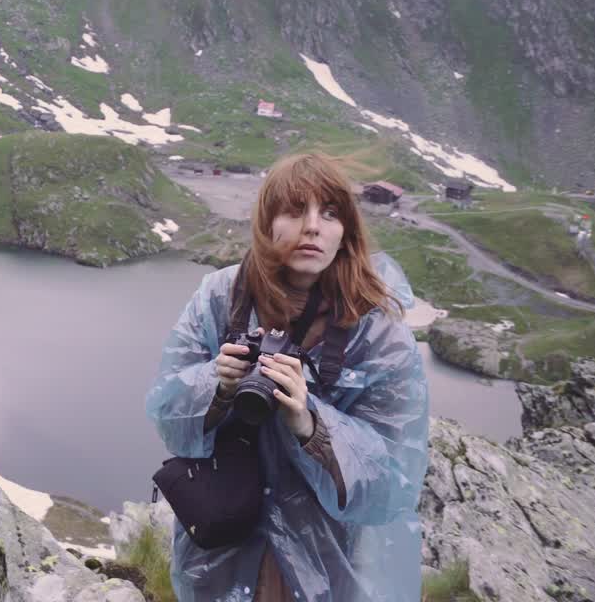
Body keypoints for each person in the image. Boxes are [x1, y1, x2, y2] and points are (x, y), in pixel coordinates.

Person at [147, 153, 429, 602]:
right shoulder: (222, 298)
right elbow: (165, 413)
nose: (312, 226)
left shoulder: (380, 333)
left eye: (330, 213)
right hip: (225, 540)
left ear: (347, 232)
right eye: (295, 211)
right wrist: (217, 386)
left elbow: (394, 480)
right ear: (267, 223)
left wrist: (311, 422)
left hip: (326, 552)